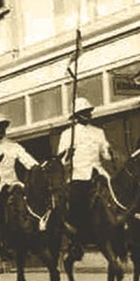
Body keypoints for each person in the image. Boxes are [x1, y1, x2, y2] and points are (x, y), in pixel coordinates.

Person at [56, 96, 114, 234]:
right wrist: (68, 155)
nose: (88, 115)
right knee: (77, 199)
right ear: (77, 115)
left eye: (89, 111)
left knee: (115, 190)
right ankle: (79, 230)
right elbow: (62, 161)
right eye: (85, 112)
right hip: (79, 174)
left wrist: (109, 150)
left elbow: (106, 155)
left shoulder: (99, 132)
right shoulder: (67, 134)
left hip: (98, 171)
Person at [0, 109, 38, 213]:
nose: (1, 130)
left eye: (3, 127)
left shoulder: (14, 146)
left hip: (13, 184)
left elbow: (28, 161)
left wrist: (38, 168)